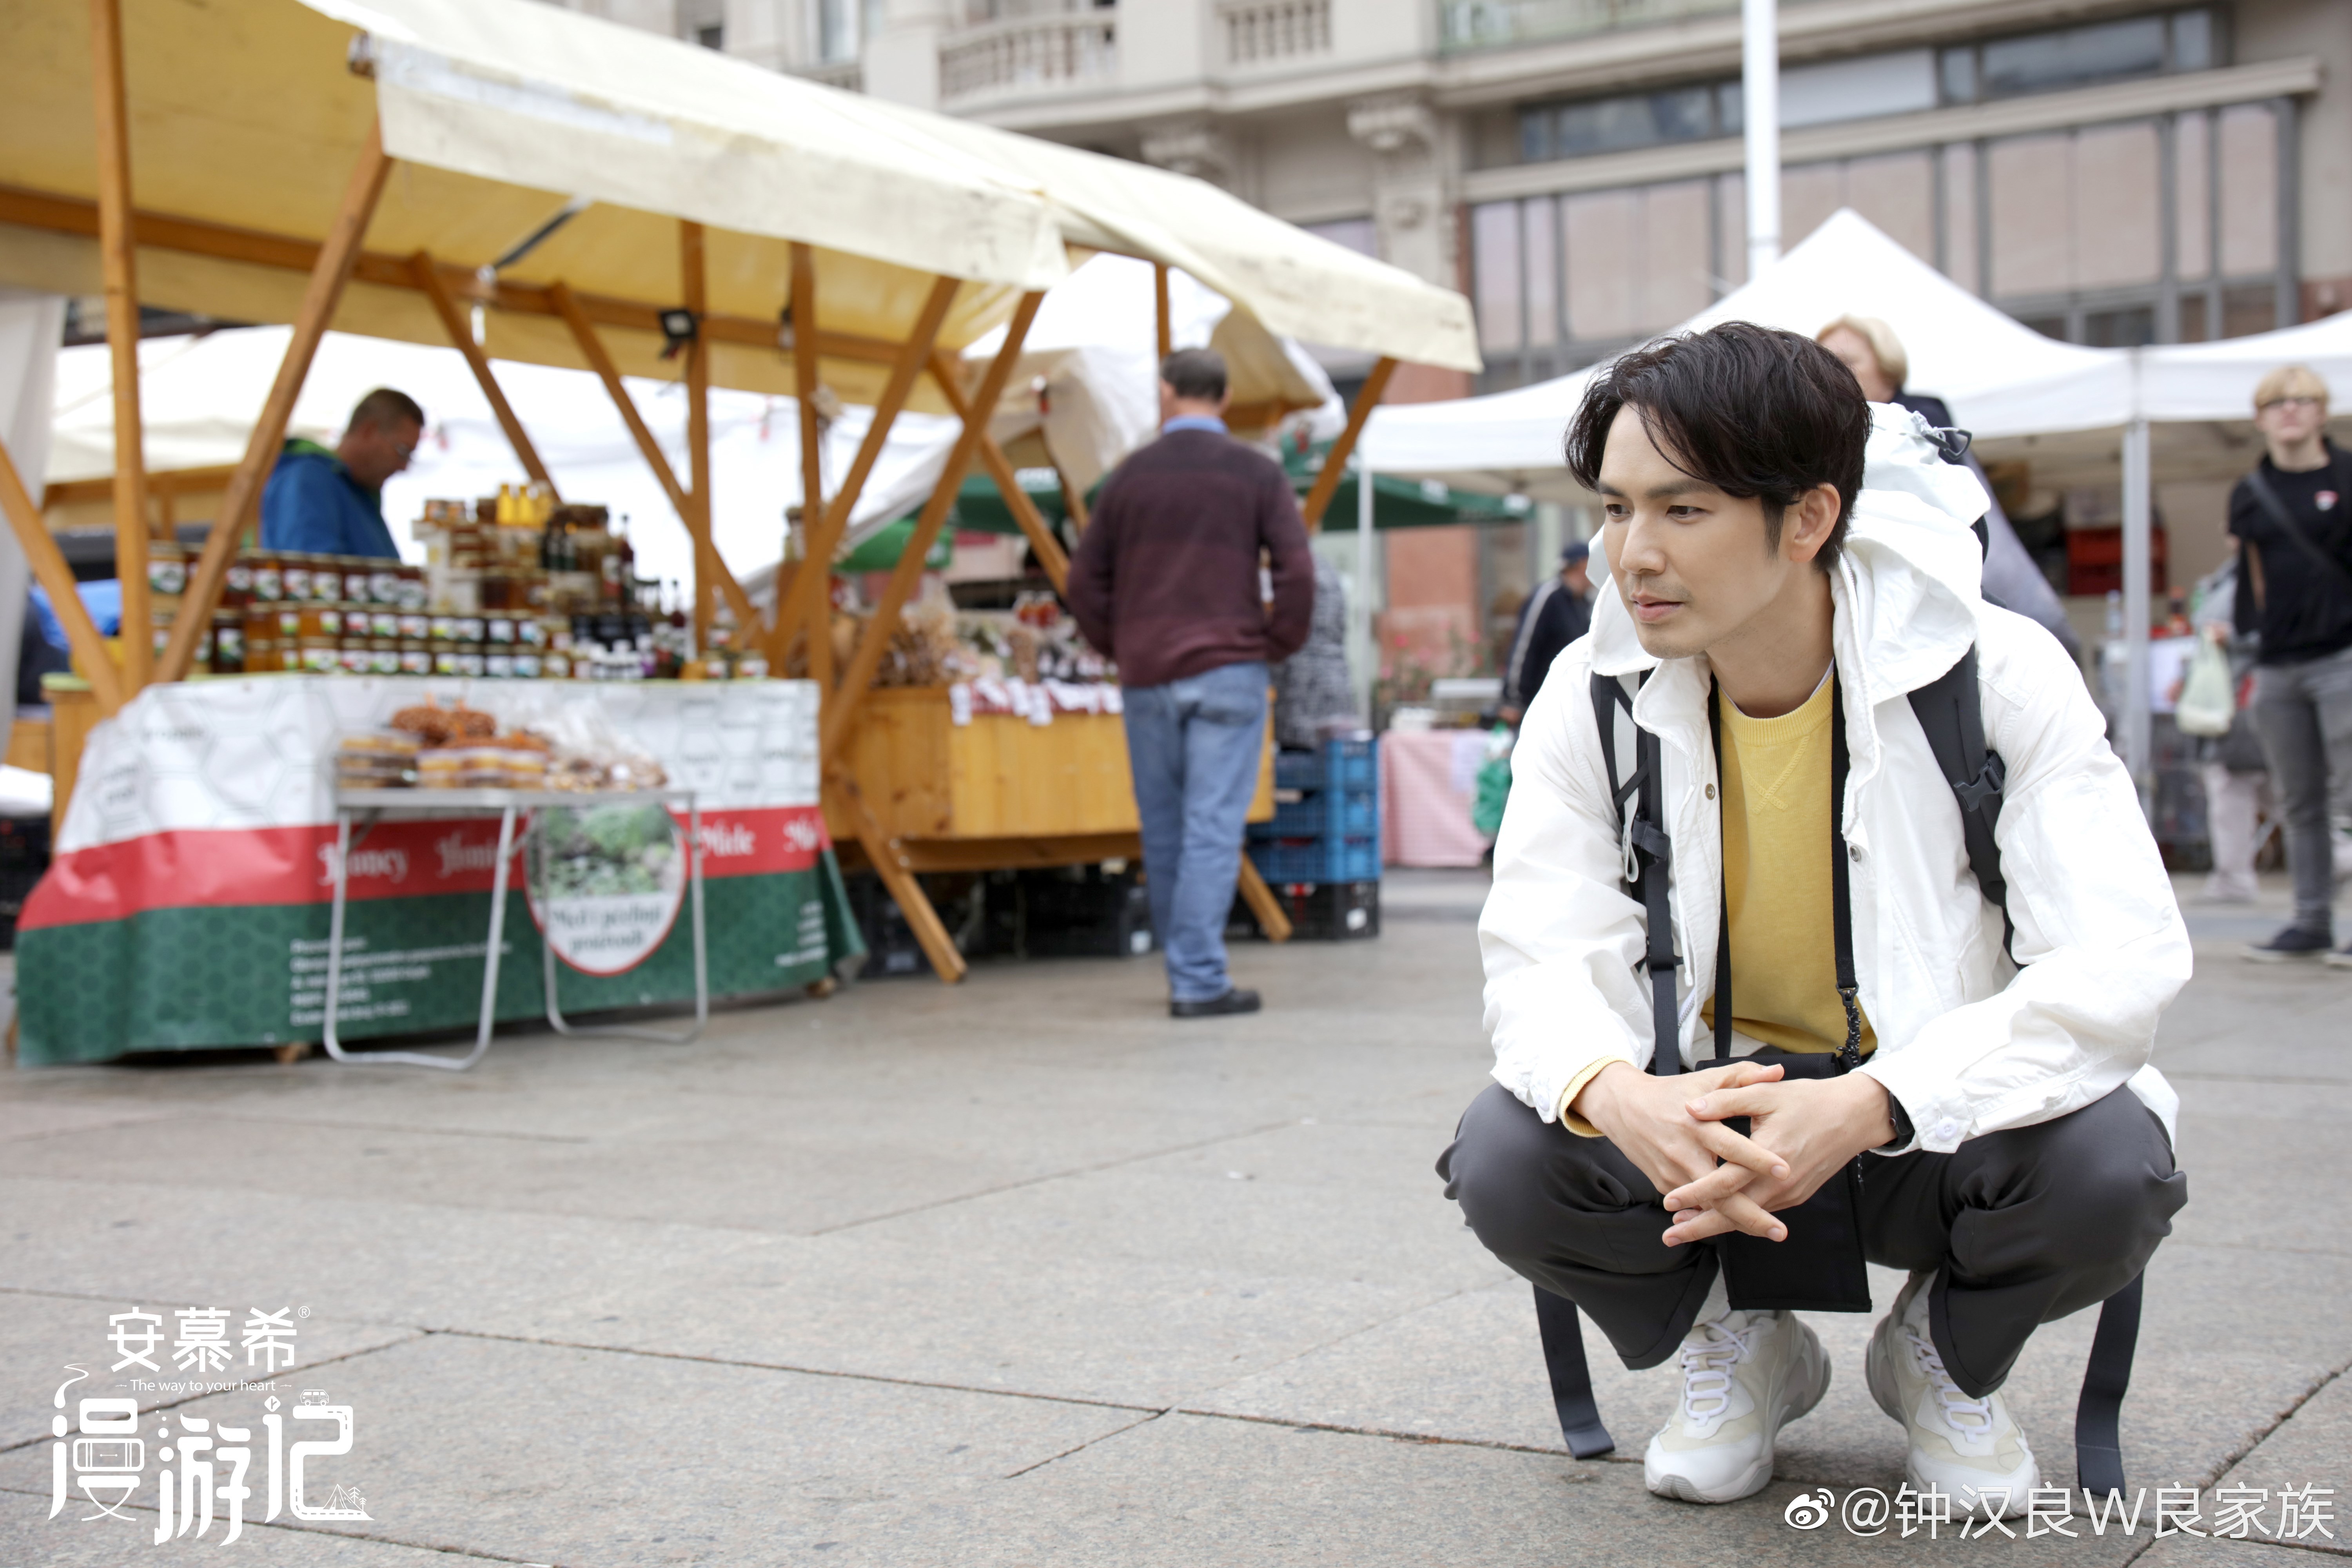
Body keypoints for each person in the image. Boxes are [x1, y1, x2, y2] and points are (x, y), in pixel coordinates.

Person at [1438, 323, 2187, 1517]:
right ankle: (1739, 1341)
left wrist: (1877, 1099)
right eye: (1617, 508)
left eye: (1683, 509)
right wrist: (1621, 1094)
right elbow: (1537, 952)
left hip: (1928, 1110)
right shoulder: (1590, 696)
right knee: (1509, 1152)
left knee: (2112, 1165)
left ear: (1807, 518)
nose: (1632, 553)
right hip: (1711, 1116)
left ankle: (1941, 1356)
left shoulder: (1993, 673)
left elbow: (2117, 960)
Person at [1067, 348, 1314, 1018]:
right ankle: (1197, 979)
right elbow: (1298, 573)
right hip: (1229, 670)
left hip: (1148, 673)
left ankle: (1189, 972)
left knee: (1165, 830)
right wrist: (1271, 645)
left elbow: (1082, 581)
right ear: (1225, 397)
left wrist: (1120, 644)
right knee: (1211, 827)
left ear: (1166, 392)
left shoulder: (1128, 477)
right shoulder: (1257, 473)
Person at [1815, 315, 2080, 657]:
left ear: (1888, 369)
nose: (1834, 374)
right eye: (1824, 364)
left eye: (1849, 362)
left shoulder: (1920, 418)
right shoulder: (1836, 434)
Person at [2229, 364, 2352, 962]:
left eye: (2303, 400)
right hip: (2278, 663)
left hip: (2343, 657)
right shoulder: (2251, 492)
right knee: (2299, 802)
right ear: (2260, 418)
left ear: (2322, 412)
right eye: (2278, 402)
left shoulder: (2347, 476)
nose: (2291, 411)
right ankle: (2311, 920)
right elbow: (2247, 576)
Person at [258, 388, 422, 557]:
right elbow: (316, 569)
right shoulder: (311, 479)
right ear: (368, 431)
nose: (404, 466)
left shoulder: (357, 491)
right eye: (402, 451)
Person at [1501, 539, 1592, 720]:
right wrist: (1513, 699)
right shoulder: (1548, 596)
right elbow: (1524, 646)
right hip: (1538, 705)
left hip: (1569, 706)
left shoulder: (1584, 603)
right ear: (1582, 564)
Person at [1271, 553, 1355, 750]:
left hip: (1301, 694)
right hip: (1335, 691)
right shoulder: (1326, 569)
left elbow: (1287, 636)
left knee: (1302, 759)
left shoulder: (1293, 571)